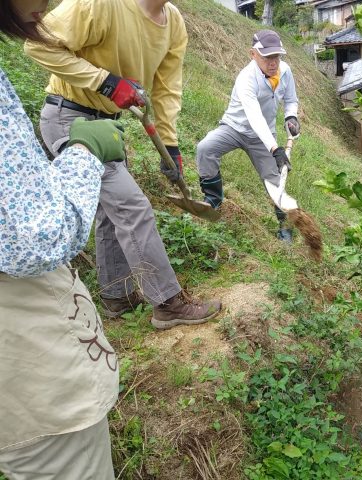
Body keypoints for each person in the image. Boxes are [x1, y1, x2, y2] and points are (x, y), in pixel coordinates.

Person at [24, 0, 222, 328]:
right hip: (69, 117)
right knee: (132, 208)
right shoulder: (103, 4)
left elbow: (167, 88)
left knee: (111, 215)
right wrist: (106, 82)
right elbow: (38, 44)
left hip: (107, 125)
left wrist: (170, 145)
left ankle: (118, 296)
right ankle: (168, 303)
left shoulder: (173, 23)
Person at [0, 1, 127, 477]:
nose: (51, 3)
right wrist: (82, 150)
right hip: (24, 350)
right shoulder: (98, 7)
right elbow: (33, 236)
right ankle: (157, 301)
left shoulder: (170, 23)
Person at [196, 29, 301, 242]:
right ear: (253, 54)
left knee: (274, 180)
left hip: (262, 137)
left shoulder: (285, 72)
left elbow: (291, 100)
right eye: (267, 57)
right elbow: (254, 116)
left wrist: (291, 116)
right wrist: (276, 149)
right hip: (235, 128)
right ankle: (213, 201)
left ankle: (284, 226)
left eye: (277, 57)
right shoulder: (246, 78)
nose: (273, 63)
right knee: (205, 148)